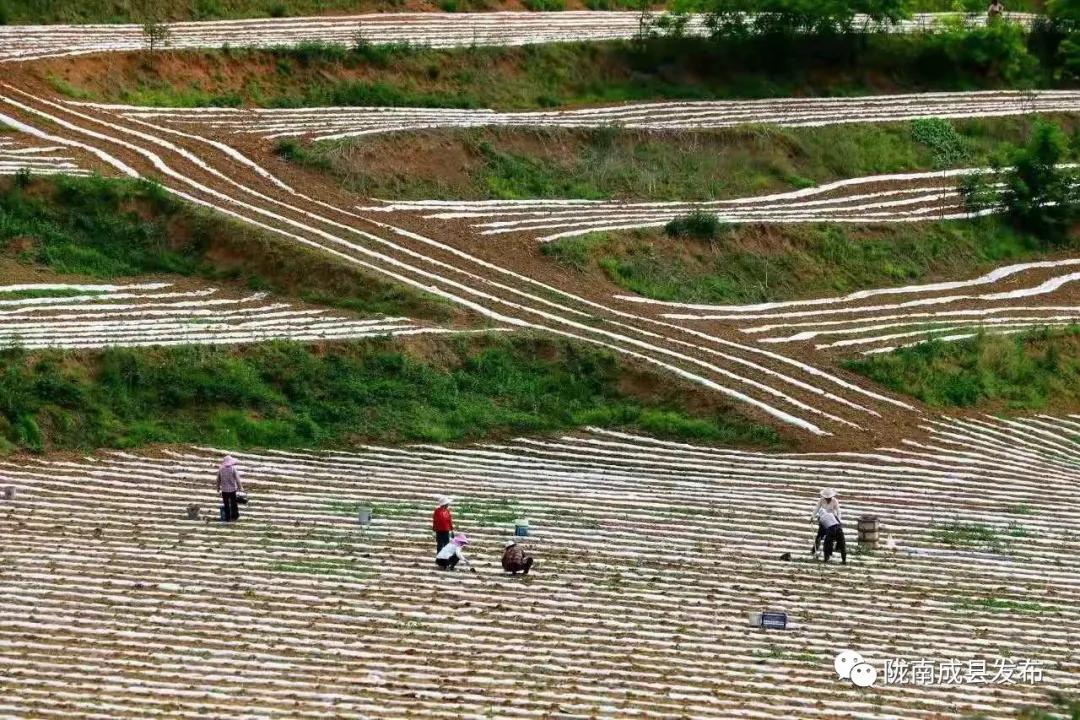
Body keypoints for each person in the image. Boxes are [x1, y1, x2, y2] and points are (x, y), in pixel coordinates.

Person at [811, 489, 841, 557]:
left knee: (831, 537)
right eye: (826, 498)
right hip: (823, 519)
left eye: (829, 498)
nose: (828, 500)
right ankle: (814, 550)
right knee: (819, 535)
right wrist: (812, 517)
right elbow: (817, 508)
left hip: (832, 520)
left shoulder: (835, 501)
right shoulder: (821, 500)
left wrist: (839, 520)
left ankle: (829, 552)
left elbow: (838, 511)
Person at [217, 455, 244, 522]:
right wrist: (240, 487)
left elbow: (218, 479)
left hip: (224, 490)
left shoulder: (221, 469)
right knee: (233, 504)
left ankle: (227, 518)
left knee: (226, 504)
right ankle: (235, 516)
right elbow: (237, 479)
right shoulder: (233, 469)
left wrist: (218, 488)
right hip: (232, 490)